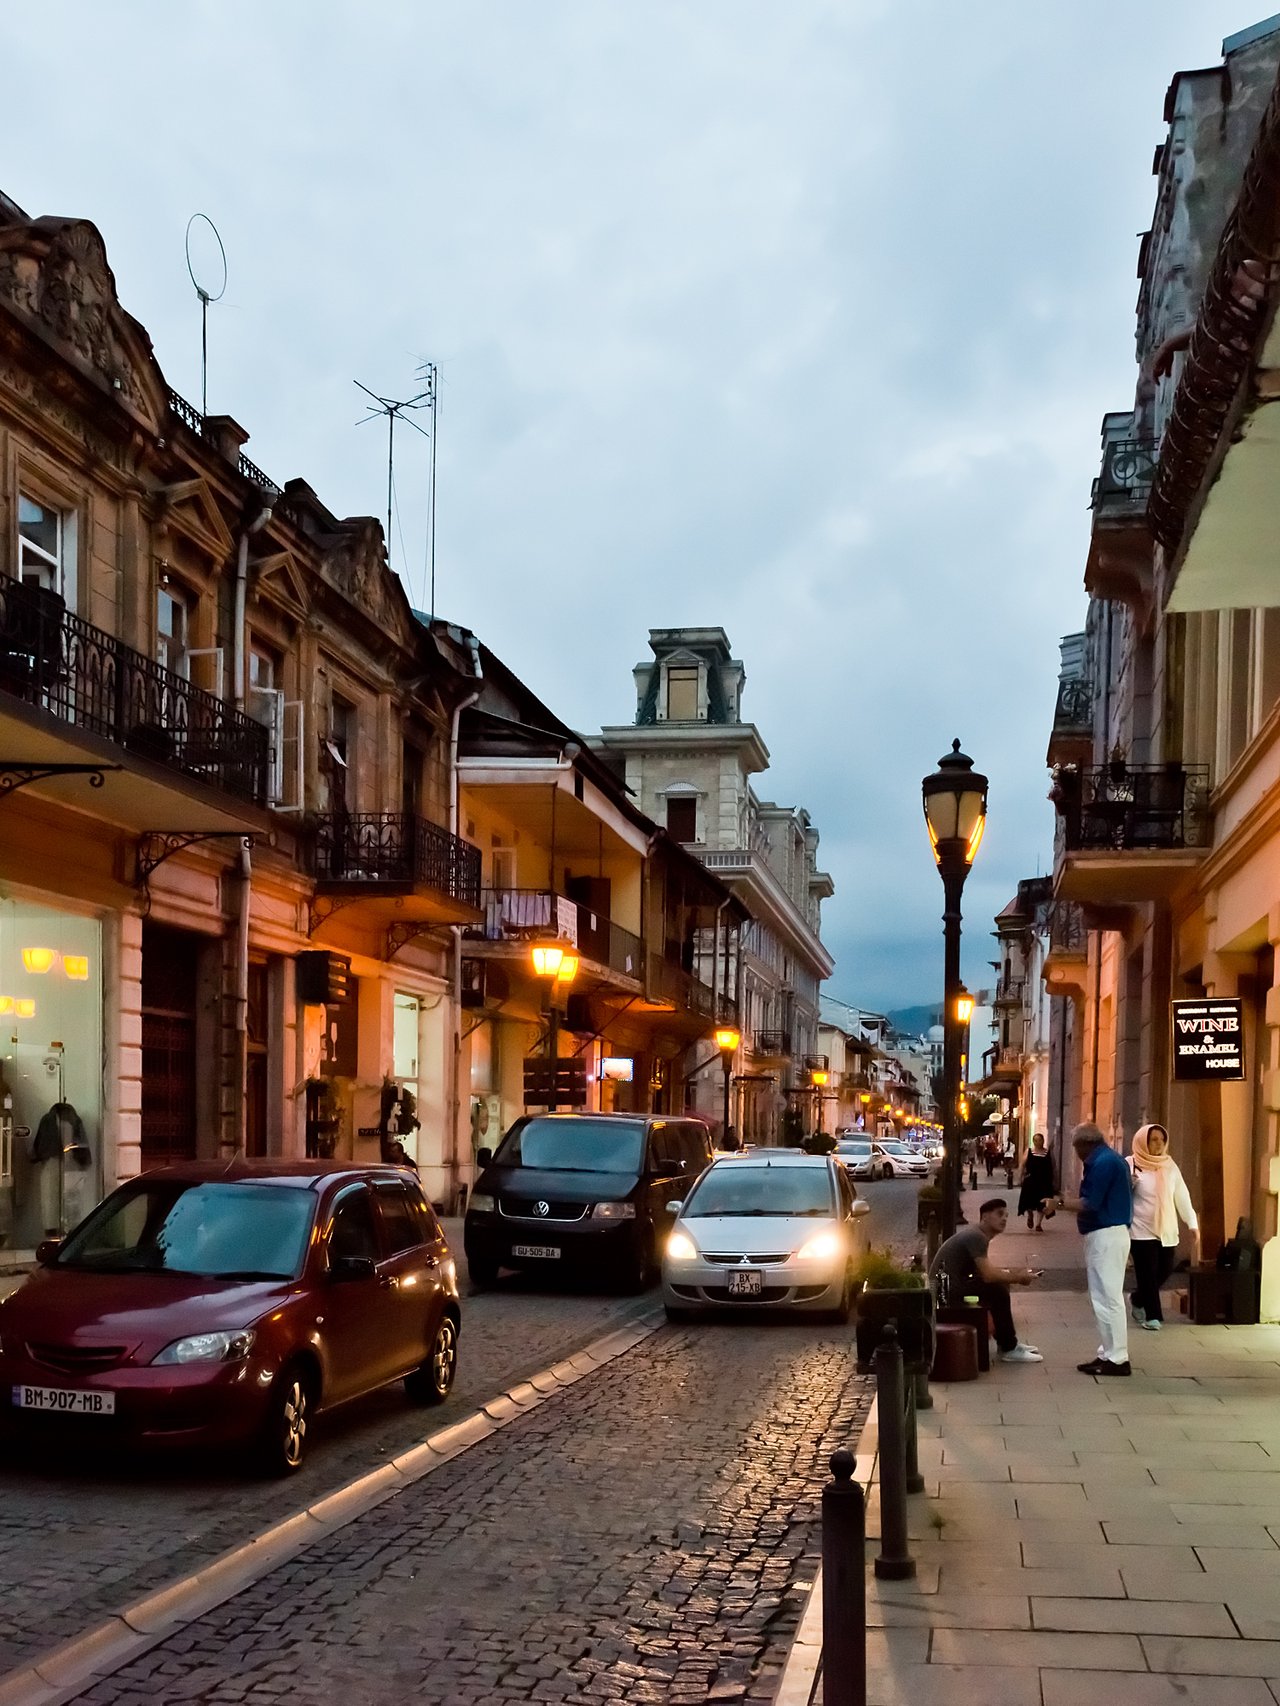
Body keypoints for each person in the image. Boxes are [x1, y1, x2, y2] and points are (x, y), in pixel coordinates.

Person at [1052, 1123, 1133, 1376]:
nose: (1075, 1152)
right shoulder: (1107, 1160)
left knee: (1108, 1298)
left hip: (1106, 1233)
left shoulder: (1103, 1163)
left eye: (1076, 1146)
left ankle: (1117, 1357)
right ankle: (1109, 1352)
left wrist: (1060, 1204)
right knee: (1103, 1298)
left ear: (1085, 1143)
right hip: (1107, 1233)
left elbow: (1091, 1202)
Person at [928, 1197, 1043, 1364]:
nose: (1004, 1219)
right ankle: (1009, 1348)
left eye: (1006, 1215)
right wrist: (1018, 1277)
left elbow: (982, 1270)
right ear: (984, 1217)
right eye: (999, 1214)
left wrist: (1009, 1274)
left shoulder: (976, 1235)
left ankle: (1008, 1343)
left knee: (997, 1287)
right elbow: (988, 1275)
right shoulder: (977, 1237)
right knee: (997, 1291)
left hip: (947, 1288)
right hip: (944, 1293)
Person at [1128, 1123, 1197, 1330]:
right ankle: (1153, 1317)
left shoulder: (1169, 1165)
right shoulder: (1129, 1164)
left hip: (1165, 1229)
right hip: (1140, 1229)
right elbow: (1118, 1195)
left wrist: (1192, 1222)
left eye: (1162, 1140)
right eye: (1153, 1140)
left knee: (1165, 1269)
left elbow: (1181, 1195)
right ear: (1143, 1142)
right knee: (1147, 1273)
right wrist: (1128, 1185)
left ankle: (1138, 1299)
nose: (1159, 1144)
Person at [1018, 1133, 1056, 1233]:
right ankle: (1030, 1215)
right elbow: (1022, 1164)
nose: (1038, 1142)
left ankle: (1038, 1224)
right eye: (1036, 1140)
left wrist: (1055, 1180)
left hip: (1044, 1181)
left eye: (1040, 1140)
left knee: (1042, 1204)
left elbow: (1054, 1167)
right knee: (1028, 1202)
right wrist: (1020, 1177)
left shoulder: (1048, 1153)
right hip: (1031, 1180)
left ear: (1043, 1141)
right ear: (1033, 1141)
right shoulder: (1029, 1151)